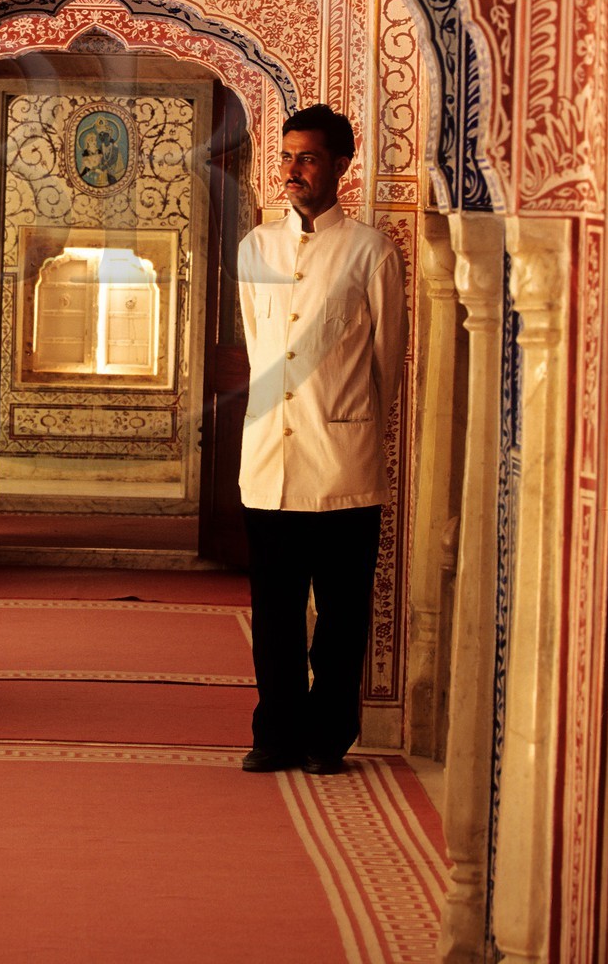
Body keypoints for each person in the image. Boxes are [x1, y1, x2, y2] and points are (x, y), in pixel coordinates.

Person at [237, 103, 407, 775]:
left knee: (339, 618)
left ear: (340, 166)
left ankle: (326, 737)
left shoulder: (369, 250)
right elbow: (259, 348)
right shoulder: (255, 248)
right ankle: (274, 733)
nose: (292, 170)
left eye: (306, 158)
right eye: (285, 157)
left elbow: (386, 363)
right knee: (273, 615)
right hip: (268, 462)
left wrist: (346, 418)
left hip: (342, 465)